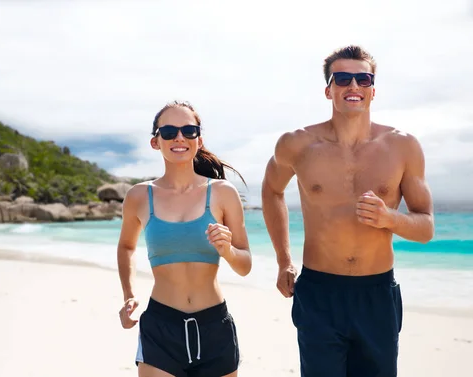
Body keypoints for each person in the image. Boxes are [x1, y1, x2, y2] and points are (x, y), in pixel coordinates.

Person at [261, 45, 434, 377]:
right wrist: (284, 260)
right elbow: (271, 191)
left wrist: (389, 218)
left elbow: (426, 228)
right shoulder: (297, 144)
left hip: (376, 294)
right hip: (318, 291)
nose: (353, 86)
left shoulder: (402, 146)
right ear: (329, 90)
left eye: (362, 78)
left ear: (373, 89)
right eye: (342, 78)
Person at [117, 100, 252, 377]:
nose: (179, 137)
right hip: (161, 327)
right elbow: (127, 247)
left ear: (198, 140)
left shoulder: (223, 193)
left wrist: (226, 250)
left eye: (188, 130)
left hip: (215, 326)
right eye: (168, 132)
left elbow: (245, 265)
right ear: (156, 142)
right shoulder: (139, 196)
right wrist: (128, 295)